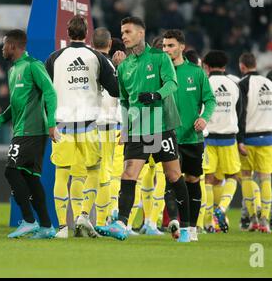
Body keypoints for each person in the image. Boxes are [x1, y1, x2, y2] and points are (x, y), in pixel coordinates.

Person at [101, 17, 191, 242]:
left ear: (140, 34)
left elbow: (172, 83)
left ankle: (187, 227)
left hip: (162, 125)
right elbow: (124, 101)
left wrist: (156, 95)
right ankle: (121, 223)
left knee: (173, 175)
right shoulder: (124, 67)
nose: (123, 35)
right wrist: (125, 128)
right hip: (138, 126)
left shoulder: (159, 57)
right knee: (129, 174)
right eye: (122, 31)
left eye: (128, 31)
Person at [45, 15, 119, 238]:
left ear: (67, 33)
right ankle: (84, 215)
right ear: (86, 33)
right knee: (94, 170)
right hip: (88, 126)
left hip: (62, 125)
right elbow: (115, 90)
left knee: (62, 174)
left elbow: (46, 92)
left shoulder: (54, 58)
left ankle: (61, 228)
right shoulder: (96, 57)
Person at [0, 30, 58, 239]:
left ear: (14, 46)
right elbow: (15, 105)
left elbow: (50, 92)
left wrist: (51, 123)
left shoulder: (33, 65)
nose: (2, 48)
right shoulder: (13, 70)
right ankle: (46, 226)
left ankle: (27, 220)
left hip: (32, 130)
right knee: (30, 178)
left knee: (11, 171)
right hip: (23, 130)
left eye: (5, 44)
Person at [162, 29, 216, 241]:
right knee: (171, 179)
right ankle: (176, 221)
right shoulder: (159, 72)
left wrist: (204, 118)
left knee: (193, 181)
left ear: (182, 47)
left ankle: (192, 227)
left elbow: (210, 100)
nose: (166, 50)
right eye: (164, 46)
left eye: (171, 46)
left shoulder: (196, 73)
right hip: (168, 136)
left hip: (192, 138)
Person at [202, 50, 242, 233]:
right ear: (224, 66)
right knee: (232, 176)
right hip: (228, 137)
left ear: (207, 67)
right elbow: (240, 111)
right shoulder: (233, 84)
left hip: (208, 138)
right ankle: (222, 208)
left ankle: (209, 222)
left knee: (209, 180)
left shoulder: (205, 83)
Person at [238, 52, 272, 233]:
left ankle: (253, 219)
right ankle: (266, 221)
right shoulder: (270, 84)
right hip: (268, 138)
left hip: (249, 138)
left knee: (246, 176)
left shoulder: (243, 84)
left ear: (242, 66)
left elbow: (241, 113)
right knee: (266, 179)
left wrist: (240, 139)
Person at [91, 27, 121, 233]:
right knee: (106, 173)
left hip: (86, 125)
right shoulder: (111, 66)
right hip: (108, 126)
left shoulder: (87, 63)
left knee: (84, 173)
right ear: (110, 45)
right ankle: (103, 220)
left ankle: (83, 216)